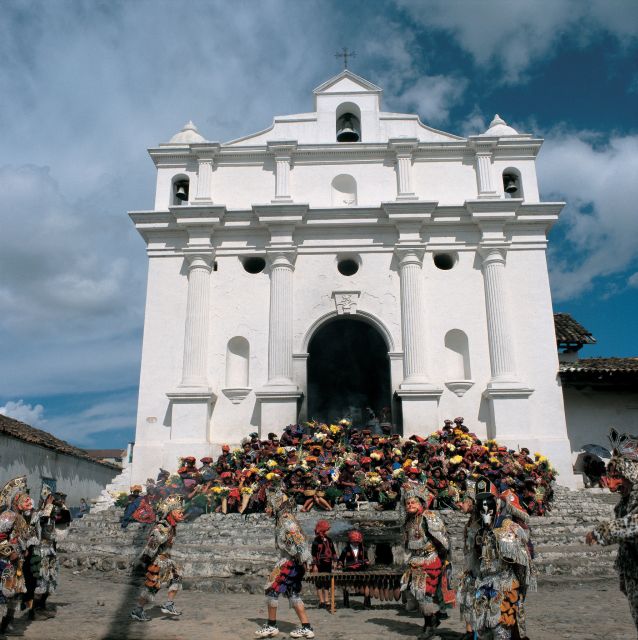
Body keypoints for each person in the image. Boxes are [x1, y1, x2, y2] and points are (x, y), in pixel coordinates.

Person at [458, 476, 535, 640]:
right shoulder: (477, 531)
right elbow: (474, 560)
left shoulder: (507, 527)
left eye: (489, 505)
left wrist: (521, 589)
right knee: (484, 628)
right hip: (484, 583)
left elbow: (521, 563)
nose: (486, 512)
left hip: (504, 582)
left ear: (497, 504)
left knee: (501, 629)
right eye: (481, 506)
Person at [586, 428, 638, 634]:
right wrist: (624, 576)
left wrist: (604, 531)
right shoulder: (624, 502)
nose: (612, 481)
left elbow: (635, 523)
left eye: (617, 476)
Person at [256, 484, 314, 639]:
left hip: (290, 562)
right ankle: (306, 627)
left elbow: (299, 543)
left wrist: (303, 561)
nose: (266, 509)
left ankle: (272, 626)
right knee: (292, 593)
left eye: (268, 505)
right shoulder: (284, 519)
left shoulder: (286, 521)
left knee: (271, 590)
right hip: (291, 561)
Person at [400, 484, 455, 639]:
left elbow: (442, 540)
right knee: (416, 593)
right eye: (408, 503)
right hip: (416, 560)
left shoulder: (429, 517)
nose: (410, 505)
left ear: (421, 503)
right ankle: (433, 619)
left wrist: (443, 558)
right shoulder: (409, 521)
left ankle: (429, 626)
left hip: (430, 559)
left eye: (413, 502)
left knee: (424, 593)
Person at [130, 494, 185, 622]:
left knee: (177, 576)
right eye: (179, 512)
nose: (182, 514)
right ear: (171, 513)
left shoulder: (171, 526)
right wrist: (144, 562)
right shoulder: (162, 527)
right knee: (152, 587)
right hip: (158, 562)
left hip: (167, 560)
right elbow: (150, 546)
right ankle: (137, 610)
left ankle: (169, 604)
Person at [311, 520, 336, 610]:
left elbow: (333, 551)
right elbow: (313, 553)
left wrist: (335, 561)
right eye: (326, 530)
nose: (327, 531)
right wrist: (314, 565)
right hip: (319, 564)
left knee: (326, 583)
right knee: (319, 583)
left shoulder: (329, 540)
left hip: (328, 563)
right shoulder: (316, 540)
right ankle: (321, 601)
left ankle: (327, 601)